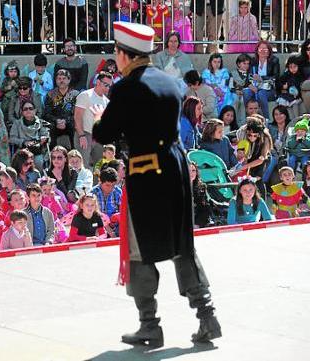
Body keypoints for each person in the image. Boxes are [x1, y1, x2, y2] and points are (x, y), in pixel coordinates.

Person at [91, 22, 221, 347]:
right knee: (183, 245)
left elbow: (104, 133)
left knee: (140, 251)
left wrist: (98, 117)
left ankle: (149, 324)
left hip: (145, 174)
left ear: (124, 54)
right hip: (175, 168)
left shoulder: (125, 88)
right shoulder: (172, 83)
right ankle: (208, 316)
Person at [75, 71, 112, 168]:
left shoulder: (107, 101)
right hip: (85, 134)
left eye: (109, 86)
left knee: (99, 168)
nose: (108, 88)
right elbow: (77, 116)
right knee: (82, 167)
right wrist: (81, 135)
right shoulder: (85, 95)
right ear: (98, 82)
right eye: (106, 85)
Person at [44, 69, 79, 150]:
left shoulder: (75, 94)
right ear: (56, 80)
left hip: (70, 123)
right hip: (55, 123)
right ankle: (53, 155)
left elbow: (77, 113)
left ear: (69, 80)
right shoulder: (50, 94)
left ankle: (74, 153)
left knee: (75, 126)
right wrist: (57, 121)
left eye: (64, 78)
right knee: (50, 128)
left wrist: (65, 121)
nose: (61, 81)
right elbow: (47, 113)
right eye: (59, 79)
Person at [9, 100, 50, 170]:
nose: (28, 110)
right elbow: (12, 139)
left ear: (35, 110)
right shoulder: (17, 123)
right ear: (22, 112)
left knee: (39, 161)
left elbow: (46, 135)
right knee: (19, 162)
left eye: (30, 108)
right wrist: (24, 142)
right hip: (22, 151)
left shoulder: (41, 123)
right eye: (25, 109)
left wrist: (42, 139)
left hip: (37, 151)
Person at [246, 40, 280, 120]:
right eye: (260, 48)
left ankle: (265, 119)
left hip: (269, 89)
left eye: (265, 49)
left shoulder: (274, 61)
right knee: (246, 92)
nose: (263, 51)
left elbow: (275, 77)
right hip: (255, 87)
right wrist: (250, 86)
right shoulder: (253, 61)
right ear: (257, 50)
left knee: (261, 93)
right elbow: (248, 77)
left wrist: (262, 78)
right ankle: (248, 118)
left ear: (269, 51)